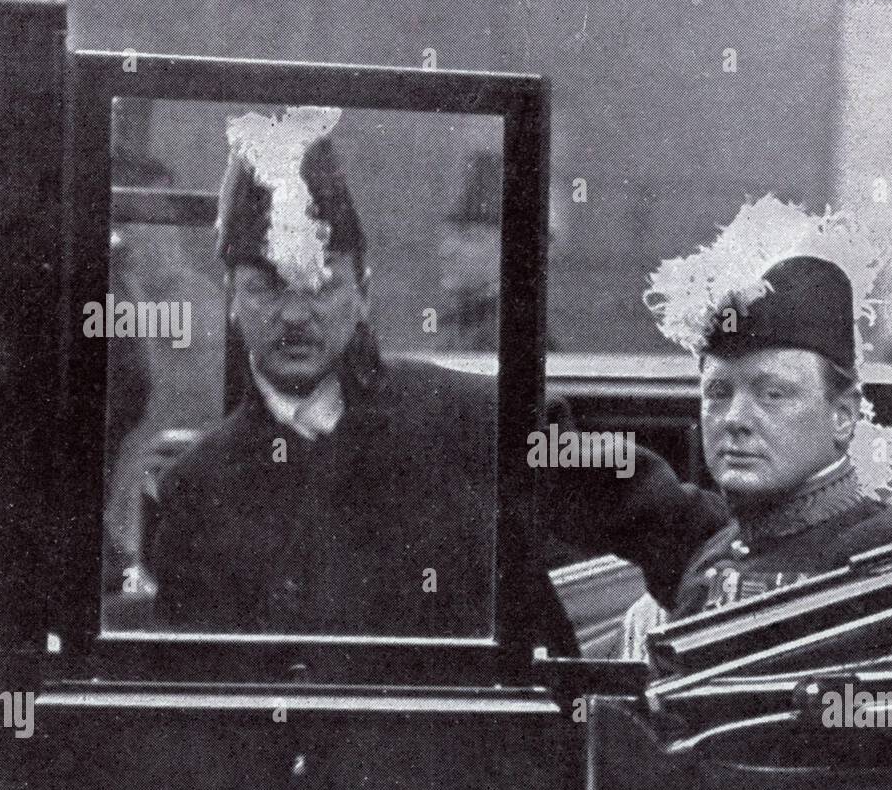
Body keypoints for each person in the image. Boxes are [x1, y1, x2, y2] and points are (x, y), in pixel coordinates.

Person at [146, 106, 586, 647]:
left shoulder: (477, 423)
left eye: (324, 284)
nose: (295, 316)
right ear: (231, 298)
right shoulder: (196, 491)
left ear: (365, 294)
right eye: (266, 287)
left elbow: (671, 524)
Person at [631, 196, 892, 622]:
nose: (734, 419)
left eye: (773, 394)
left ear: (842, 416)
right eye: (718, 392)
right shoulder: (710, 561)